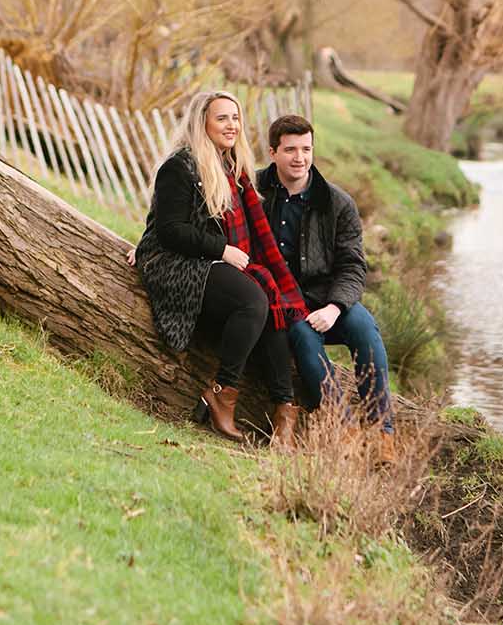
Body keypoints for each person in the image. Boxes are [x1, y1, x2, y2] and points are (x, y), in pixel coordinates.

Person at [134, 91, 307, 447]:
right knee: (253, 300)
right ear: (203, 123)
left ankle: (284, 409)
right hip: (175, 262)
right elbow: (169, 231)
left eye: (235, 118)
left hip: (209, 259)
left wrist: (225, 253)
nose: (231, 125)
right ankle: (222, 392)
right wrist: (222, 250)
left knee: (269, 299)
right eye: (221, 118)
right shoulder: (179, 167)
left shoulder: (234, 169)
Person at [257, 114, 396, 461]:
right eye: (290, 150)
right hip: (285, 302)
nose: (299, 158)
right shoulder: (255, 195)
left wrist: (335, 307)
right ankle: (344, 428)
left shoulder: (337, 203)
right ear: (273, 152)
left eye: (306, 149)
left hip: (330, 298)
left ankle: (383, 433)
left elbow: (353, 265)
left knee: (365, 329)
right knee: (304, 337)